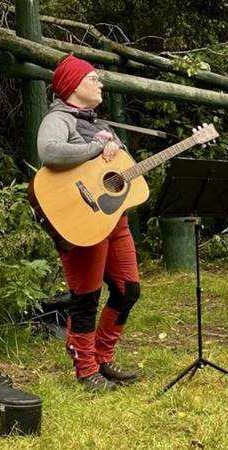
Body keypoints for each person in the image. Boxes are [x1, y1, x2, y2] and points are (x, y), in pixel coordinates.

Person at [37, 55, 139, 391]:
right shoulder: (59, 118)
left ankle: (102, 356)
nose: (100, 83)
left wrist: (114, 146)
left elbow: (120, 164)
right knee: (87, 296)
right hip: (82, 218)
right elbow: (49, 151)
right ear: (74, 85)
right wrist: (97, 147)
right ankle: (86, 369)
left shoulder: (97, 122)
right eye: (93, 78)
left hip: (114, 217)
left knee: (128, 290)